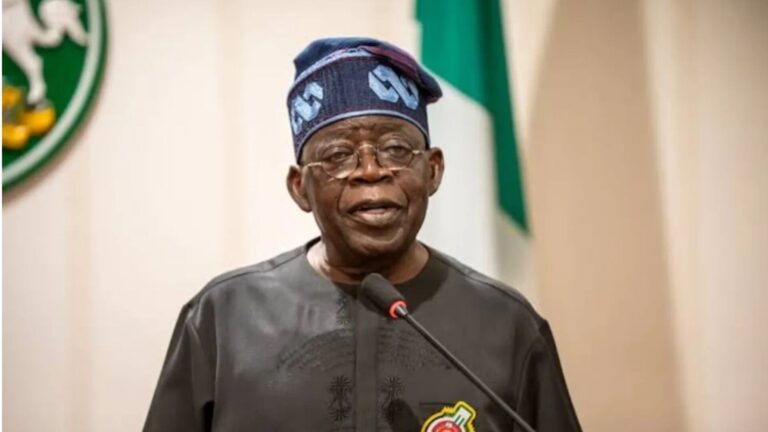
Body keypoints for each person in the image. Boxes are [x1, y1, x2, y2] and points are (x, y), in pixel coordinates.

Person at [144, 37, 582, 432]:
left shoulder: (507, 325)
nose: (371, 172)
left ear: (432, 171)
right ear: (300, 188)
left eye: (395, 150)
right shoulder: (222, 318)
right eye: (338, 156)